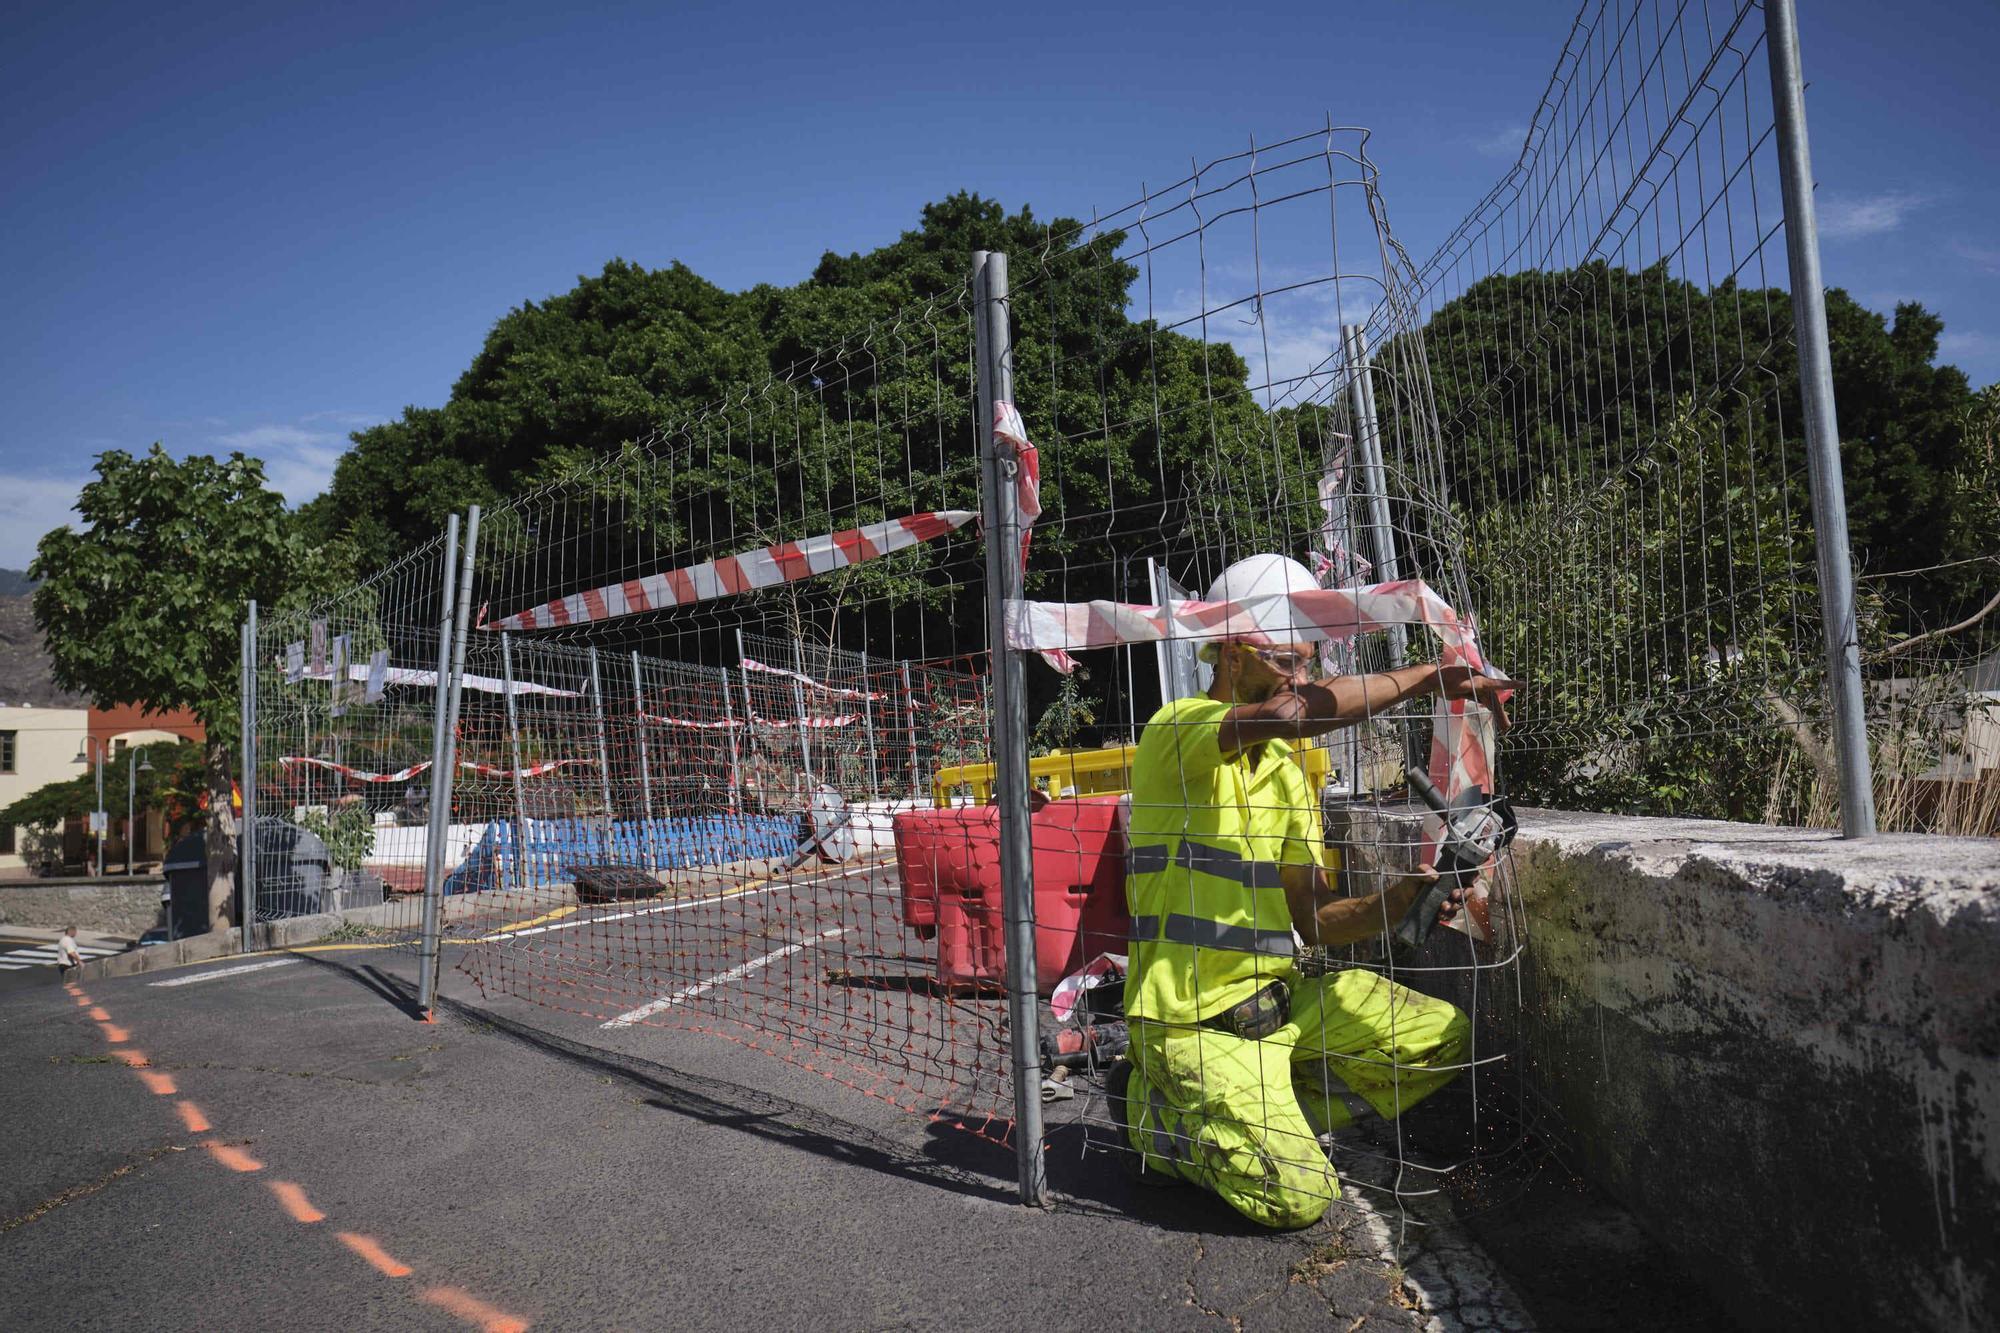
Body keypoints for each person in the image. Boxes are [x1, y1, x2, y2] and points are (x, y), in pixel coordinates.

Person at [1111, 554, 1516, 1230]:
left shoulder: (1289, 780)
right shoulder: (1176, 731)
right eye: (1282, 661)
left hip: (1281, 1006)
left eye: (1306, 662)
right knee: (1300, 1198)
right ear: (1233, 651)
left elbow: (1317, 918)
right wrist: (1430, 677)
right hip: (1189, 1025)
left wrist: (1396, 901)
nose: (1298, 677)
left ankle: (1260, 1115)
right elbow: (1295, 715)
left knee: (1443, 1035)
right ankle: (1147, 1112)